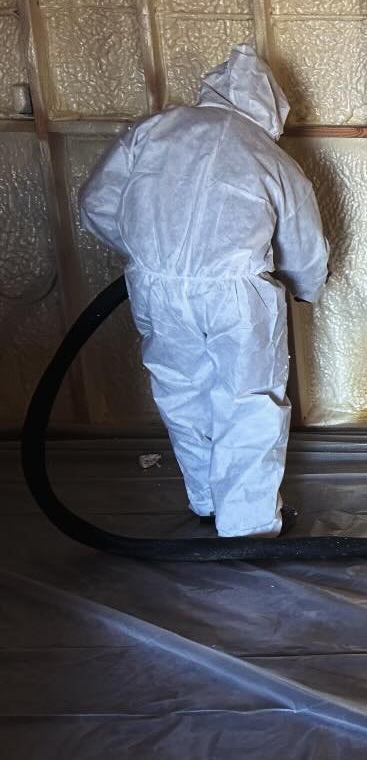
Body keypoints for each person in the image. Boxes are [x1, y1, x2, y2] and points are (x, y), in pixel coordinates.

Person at [79, 45, 328, 538]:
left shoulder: (153, 131)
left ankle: (206, 503)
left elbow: (97, 203)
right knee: (248, 399)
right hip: (238, 295)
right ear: (269, 105)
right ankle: (248, 526)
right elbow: (304, 243)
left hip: (156, 288)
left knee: (182, 391)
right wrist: (303, 288)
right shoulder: (267, 155)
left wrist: (151, 254)